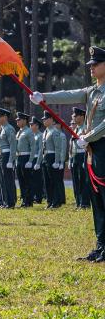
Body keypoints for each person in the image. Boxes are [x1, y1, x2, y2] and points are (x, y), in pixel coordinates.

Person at [29, 46, 105, 260]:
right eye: (91, 65)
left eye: (96, 64)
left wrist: (88, 137)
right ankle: (101, 246)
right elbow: (69, 95)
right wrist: (43, 96)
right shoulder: (92, 91)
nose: (92, 68)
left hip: (101, 146)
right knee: (96, 199)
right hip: (92, 149)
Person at [40, 114, 67, 209]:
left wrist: (57, 161)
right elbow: (42, 148)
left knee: (54, 181)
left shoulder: (55, 132)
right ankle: (50, 201)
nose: (44, 121)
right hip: (45, 157)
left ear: (51, 120)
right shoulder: (45, 132)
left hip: (52, 156)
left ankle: (56, 202)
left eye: (46, 119)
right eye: (43, 119)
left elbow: (57, 147)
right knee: (47, 181)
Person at [0, 108, 16, 209]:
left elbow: (13, 145)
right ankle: (5, 201)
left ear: (5, 117)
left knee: (7, 181)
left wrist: (11, 160)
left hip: (6, 156)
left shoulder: (9, 128)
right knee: (2, 181)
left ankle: (10, 203)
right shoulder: (1, 129)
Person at [71, 108, 91, 209]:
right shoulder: (76, 129)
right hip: (75, 156)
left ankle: (85, 203)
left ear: (82, 116)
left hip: (83, 154)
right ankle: (79, 202)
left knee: (84, 180)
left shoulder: (86, 128)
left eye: (75, 116)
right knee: (76, 180)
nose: (73, 117)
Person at [15, 112, 34, 206]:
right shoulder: (19, 132)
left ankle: (29, 201)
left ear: (24, 120)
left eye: (19, 120)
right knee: (21, 180)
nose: (17, 121)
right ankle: (23, 199)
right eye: (17, 120)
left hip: (26, 157)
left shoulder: (28, 131)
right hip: (19, 157)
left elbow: (33, 147)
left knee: (27, 180)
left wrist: (30, 161)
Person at [29, 117, 46, 204]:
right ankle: (34, 196)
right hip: (32, 159)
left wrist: (38, 162)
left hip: (37, 159)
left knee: (38, 180)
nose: (30, 126)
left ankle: (39, 197)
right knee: (32, 179)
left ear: (37, 126)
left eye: (32, 125)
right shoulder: (33, 135)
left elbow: (40, 149)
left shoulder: (40, 135)